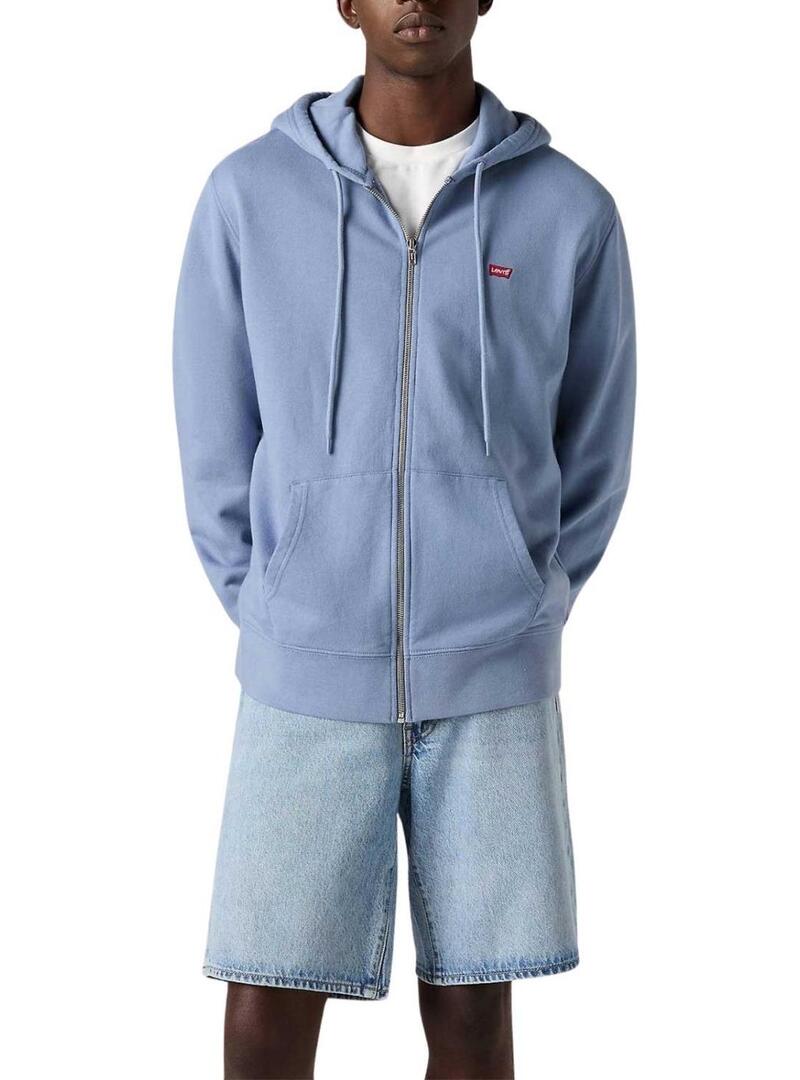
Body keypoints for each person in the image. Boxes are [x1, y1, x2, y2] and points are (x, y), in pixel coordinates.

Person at [173, 1, 636, 1075]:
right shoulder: (249, 194)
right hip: (304, 671)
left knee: (474, 1009)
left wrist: (528, 594)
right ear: (346, 2)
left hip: (493, 675)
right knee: (265, 1002)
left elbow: (596, 445)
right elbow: (213, 434)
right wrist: (279, 602)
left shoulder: (569, 210)